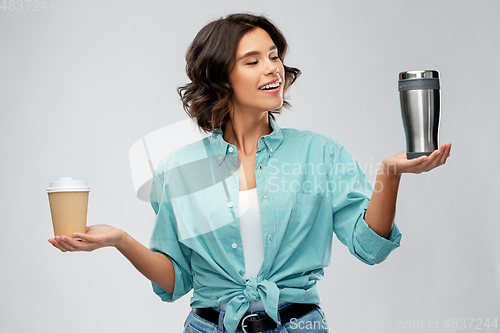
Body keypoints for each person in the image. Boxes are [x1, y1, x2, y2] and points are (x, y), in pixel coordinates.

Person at [48, 13, 451, 333]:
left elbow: (369, 247)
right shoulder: (179, 170)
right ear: (222, 76)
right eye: (253, 60)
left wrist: (390, 172)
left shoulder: (319, 153)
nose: (273, 69)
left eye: (274, 55)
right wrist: (119, 239)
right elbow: (174, 281)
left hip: (298, 326)